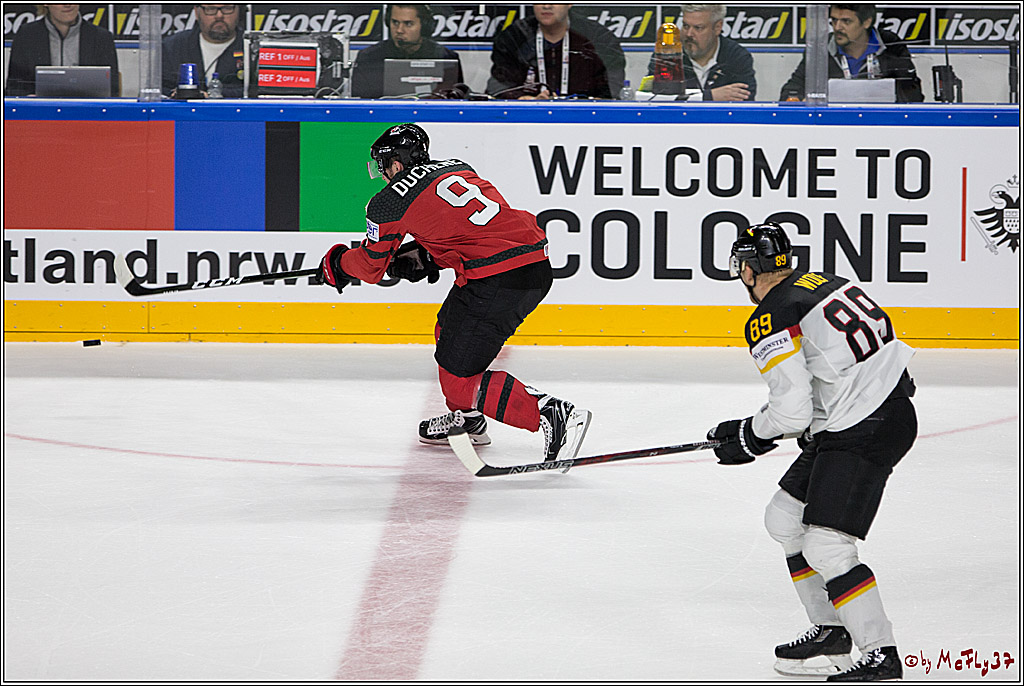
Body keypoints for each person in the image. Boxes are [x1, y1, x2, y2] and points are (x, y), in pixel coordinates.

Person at [707, 223, 916, 681]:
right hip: (867, 417)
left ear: (748, 268)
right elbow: (840, 370)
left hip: (865, 427)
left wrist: (749, 434)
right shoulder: (824, 282)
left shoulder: (770, 315)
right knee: (784, 519)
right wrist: (801, 424)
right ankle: (831, 629)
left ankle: (881, 655)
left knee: (826, 544)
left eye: (740, 264)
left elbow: (791, 413)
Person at [316, 123, 592, 463]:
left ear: (397, 164)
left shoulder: (387, 202)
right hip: (531, 266)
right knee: (447, 329)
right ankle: (467, 420)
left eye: (384, 165)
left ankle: (549, 413)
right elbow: (472, 229)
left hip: (496, 279)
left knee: (460, 377)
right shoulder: (457, 168)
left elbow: (371, 267)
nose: (384, 174)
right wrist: (429, 256)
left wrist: (338, 263)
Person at [779, 3, 923, 103]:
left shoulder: (890, 46)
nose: (837, 27)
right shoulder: (821, 47)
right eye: (834, 20)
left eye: (846, 21)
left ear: (866, 22)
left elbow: (913, 96)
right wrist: (799, 101)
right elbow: (791, 91)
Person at [487, 4, 625, 100]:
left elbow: (612, 80)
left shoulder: (596, 36)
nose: (547, 5)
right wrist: (521, 98)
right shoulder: (515, 36)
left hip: (583, 118)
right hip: (529, 118)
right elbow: (499, 83)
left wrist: (594, 101)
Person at [350, 4, 464, 99]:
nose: (399, 30)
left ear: (424, 26)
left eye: (408, 24)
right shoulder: (369, 58)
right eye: (395, 22)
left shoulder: (446, 58)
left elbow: (456, 103)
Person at [646, 4, 756, 101]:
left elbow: (745, 99)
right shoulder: (668, 54)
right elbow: (654, 97)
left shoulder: (736, 56)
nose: (689, 34)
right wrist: (709, 97)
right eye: (685, 26)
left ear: (718, 27)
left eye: (698, 28)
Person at [5, 4, 120, 97]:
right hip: (40, 114)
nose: (68, 4)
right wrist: (27, 98)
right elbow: (14, 86)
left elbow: (112, 88)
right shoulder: (26, 35)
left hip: (88, 113)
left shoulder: (101, 37)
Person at [162, 4, 245, 98]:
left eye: (227, 8)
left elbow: (256, 91)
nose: (219, 16)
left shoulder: (250, 48)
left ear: (239, 11)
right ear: (197, 12)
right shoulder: (172, 46)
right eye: (210, 9)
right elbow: (160, 88)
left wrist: (215, 95)